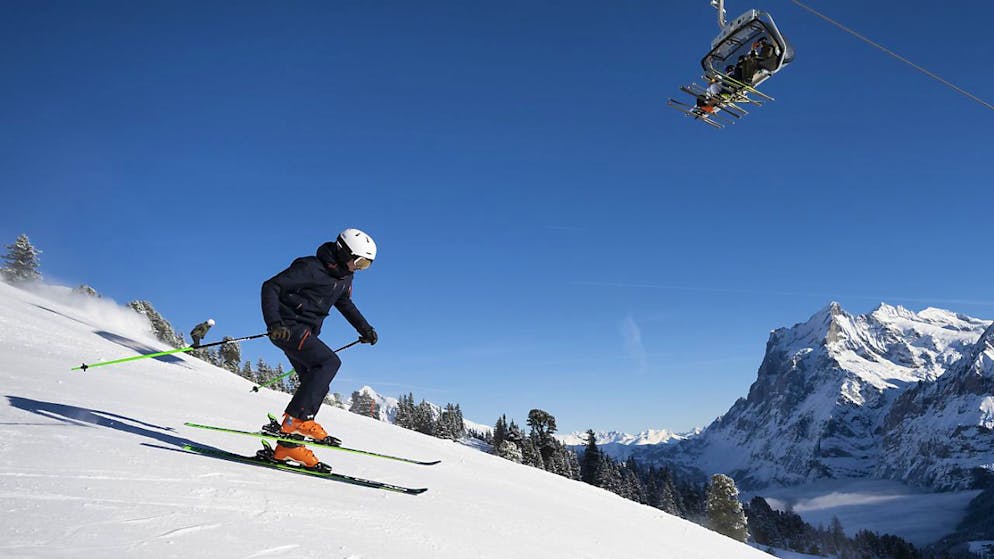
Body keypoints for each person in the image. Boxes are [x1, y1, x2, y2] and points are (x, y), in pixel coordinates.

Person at [260, 228, 379, 467]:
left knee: (315, 382)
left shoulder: (345, 277)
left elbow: (344, 303)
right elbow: (271, 286)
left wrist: (365, 328)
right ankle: (298, 421)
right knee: (329, 363)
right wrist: (274, 323)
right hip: (287, 328)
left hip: (306, 333)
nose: (359, 268)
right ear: (343, 252)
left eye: (366, 265)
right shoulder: (310, 268)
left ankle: (287, 447)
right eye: (359, 262)